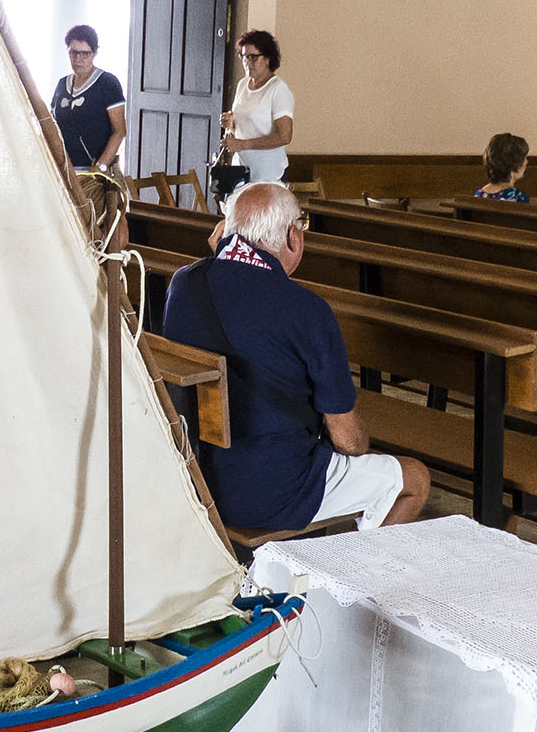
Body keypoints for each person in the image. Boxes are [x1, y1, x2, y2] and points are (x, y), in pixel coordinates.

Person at [162, 181, 429, 532]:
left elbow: (227, 288)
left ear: (226, 232)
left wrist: (221, 253)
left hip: (193, 478)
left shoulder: (184, 283)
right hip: (270, 493)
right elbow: (348, 442)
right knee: (414, 479)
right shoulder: (308, 310)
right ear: (293, 237)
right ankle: (352, 577)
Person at [220, 30, 295, 185]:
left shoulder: (278, 89)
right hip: (241, 170)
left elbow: (284, 137)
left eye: (253, 57)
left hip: (268, 173)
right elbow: (240, 129)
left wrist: (245, 144)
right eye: (244, 56)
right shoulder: (242, 85)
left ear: (267, 58)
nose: (247, 62)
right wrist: (230, 124)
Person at [50, 25, 127, 173]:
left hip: (93, 172)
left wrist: (100, 167)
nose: (78, 59)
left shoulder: (107, 83)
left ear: (94, 53)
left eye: (85, 53)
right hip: (63, 171)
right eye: (73, 52)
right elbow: (53, 126)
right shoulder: (62, 84)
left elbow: (119, 131)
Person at [474, 132, 531, 202]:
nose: (526, 162)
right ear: (515, 162)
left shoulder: (479, 194)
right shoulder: (518, 197)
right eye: (524, 157)